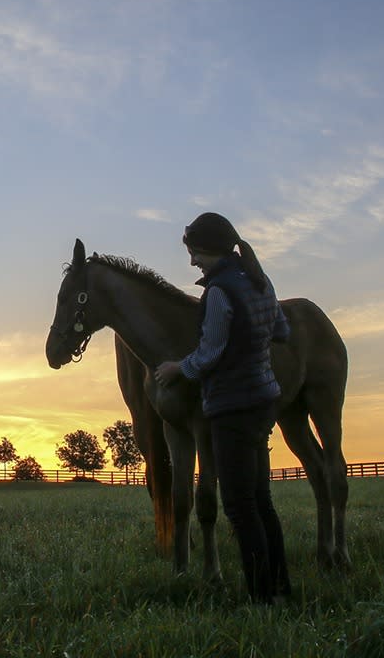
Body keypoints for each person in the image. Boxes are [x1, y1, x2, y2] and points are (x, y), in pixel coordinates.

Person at [154, 211, 291, 605]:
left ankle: (261, 597)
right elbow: (282, 331)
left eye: (195, 252)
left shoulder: (218, 292)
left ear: (210, 249)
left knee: (239, 505)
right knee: (261, 499)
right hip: (265, 399)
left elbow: (209, 354)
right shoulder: (260, 281)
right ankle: (280, 588)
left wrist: (178, 368)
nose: (193, 261)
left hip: (233, 406)